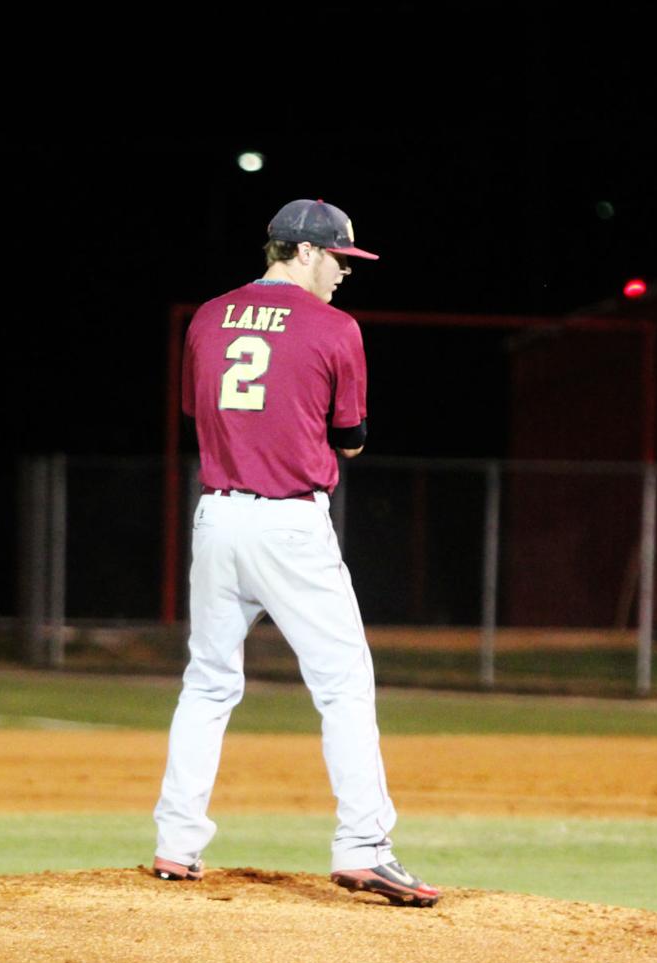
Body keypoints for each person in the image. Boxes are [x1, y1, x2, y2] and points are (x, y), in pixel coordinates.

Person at [151, 198, 441, 907]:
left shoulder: (208, 317)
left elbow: (202, 411)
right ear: (303, 251)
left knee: (208, 681)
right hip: (289, 523)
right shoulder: (335, 328)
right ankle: (364, 845)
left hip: (217, 517)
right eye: (339, 257)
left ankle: (177, 842)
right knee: (344, 681)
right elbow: (351, 439)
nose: (345, 272)